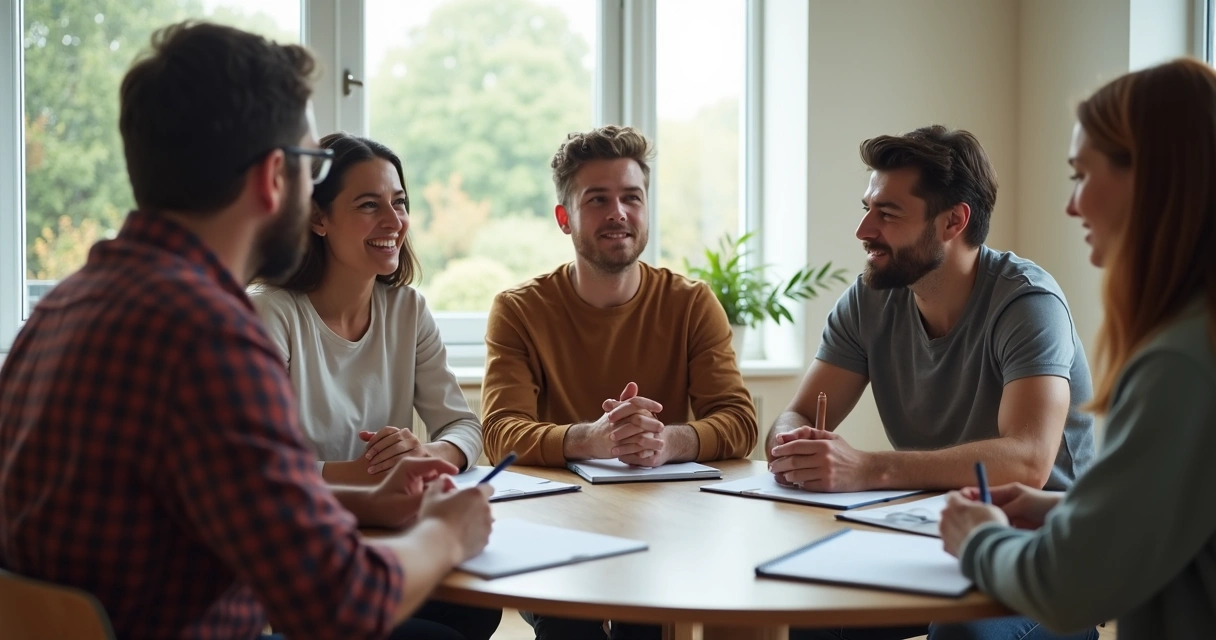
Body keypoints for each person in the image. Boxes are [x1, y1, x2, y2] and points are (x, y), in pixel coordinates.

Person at [0, 22, 492, 640]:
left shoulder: (63, 307)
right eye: (312, 167)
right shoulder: (209, 336)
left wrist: (367, 500)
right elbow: (340, 605)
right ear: (271, 179)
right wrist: (446, 533)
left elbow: (221, 504)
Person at [772, 126, 1097, 640]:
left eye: (888, 214)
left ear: (953, 221)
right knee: (806, 612)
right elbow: (798, 413)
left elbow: (1029, 462)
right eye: (867, 208)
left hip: (1046, 555)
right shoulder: (869, 300)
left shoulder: (1027, 304)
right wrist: (794, 445)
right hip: (929, 538)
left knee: (960, 633)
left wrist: (866, 469)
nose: (863, 230)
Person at [941, 57, 1216, 640]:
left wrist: (978, 537)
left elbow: (1068, 587)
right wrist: (1063, 511)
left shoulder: (1180, 363)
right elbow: (1182, 515)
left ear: (1154, 178)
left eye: (1081, 175)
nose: (1072, 205)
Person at [481, 125, 758, 639]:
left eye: (632, 198)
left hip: (666, 525)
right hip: (558, 530)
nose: (618, 213)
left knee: (646, 622)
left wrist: (668, 440)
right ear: (565, 218)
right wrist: (591, 438)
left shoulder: (691, 303)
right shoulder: (519, 310)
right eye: (598, 200)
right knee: (571, 629)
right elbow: (499, 433)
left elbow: (740, 421)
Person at [250, 131, 500, 640]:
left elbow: (464, 425)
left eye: (400, 202)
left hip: (381, 532)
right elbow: (258, 472)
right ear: (318, 218)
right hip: (299, 552)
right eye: (369, 205)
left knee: (477, 610)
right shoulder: (270, 312)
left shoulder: (408, 310)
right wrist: (360, 474)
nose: (394, 222)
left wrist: (429, 455)